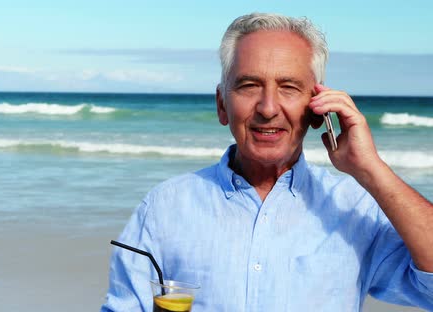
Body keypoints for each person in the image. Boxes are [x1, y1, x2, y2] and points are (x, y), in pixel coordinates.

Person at [101, 13, 433, 311]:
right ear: (221, 105)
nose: (268, 107)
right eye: (249, 86)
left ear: (318, 109)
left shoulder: (355, 207)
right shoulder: (165, 206)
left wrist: (371, 169)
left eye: (289, 87)